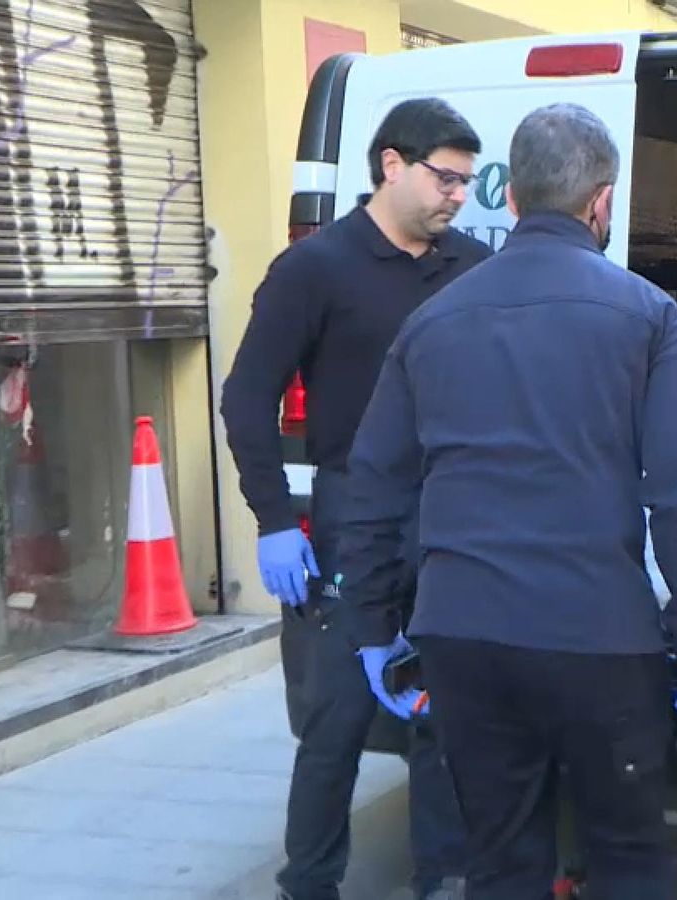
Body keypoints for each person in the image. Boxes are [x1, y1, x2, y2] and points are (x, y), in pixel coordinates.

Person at [334, 102, 677, 899]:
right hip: (599, 639)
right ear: (603, 202)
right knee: (627, 857)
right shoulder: (652, 320)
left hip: (463, 637)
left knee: (502, 861)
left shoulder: (430, 322)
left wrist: (374, 629)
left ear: (509, 199)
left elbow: (374, 486)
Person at [219, 97, 493, 900]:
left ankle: (441, 877)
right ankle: (309, 883)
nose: (455, 196)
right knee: (336, 721)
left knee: (447, 715)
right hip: (352, 522)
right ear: (391, 165)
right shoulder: (316, 268)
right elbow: (246, 399)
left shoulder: (470, 269)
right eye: (444, 178)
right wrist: (274, 520)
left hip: (450, 520)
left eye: (467, 184)